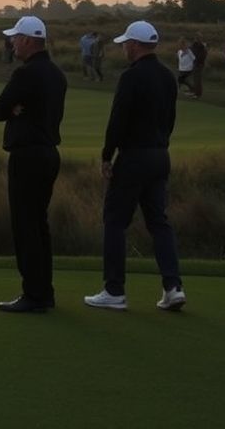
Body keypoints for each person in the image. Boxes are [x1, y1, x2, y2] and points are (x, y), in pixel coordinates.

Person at [85, 20, 185, 313]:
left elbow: (118, 120)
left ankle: (114, 290)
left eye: (126, 43)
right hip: (159, 155)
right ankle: (173, 286)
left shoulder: (131, 77)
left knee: (115, 221)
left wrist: (107, 155)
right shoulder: (167, 76)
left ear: (136, 45)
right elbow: (170, 119)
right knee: (158, 222)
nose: (124, 47)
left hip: (134, 157)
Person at [0, 16, 67, 313]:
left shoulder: (25, 74)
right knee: (39, 225)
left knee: (25, 226)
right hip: (49, 154)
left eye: (14, 38)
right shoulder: (57, 74)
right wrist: (15, 108)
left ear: (26, 40)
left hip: (27, 157)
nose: (11, 43)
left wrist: (12, 108)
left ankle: (33, 295)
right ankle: (43, 292)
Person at [190, 33, 207, 98]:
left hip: (199, 64)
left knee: (198, 79)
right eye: (196, 38)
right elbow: (191, 50)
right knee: (195, 78)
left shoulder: (202, 47)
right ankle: (195, 92)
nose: (197, 40)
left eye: (198, 38)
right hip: (195, 63)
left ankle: (198, 94)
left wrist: (198, 60)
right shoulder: (194, 45)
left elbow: (203, 55)